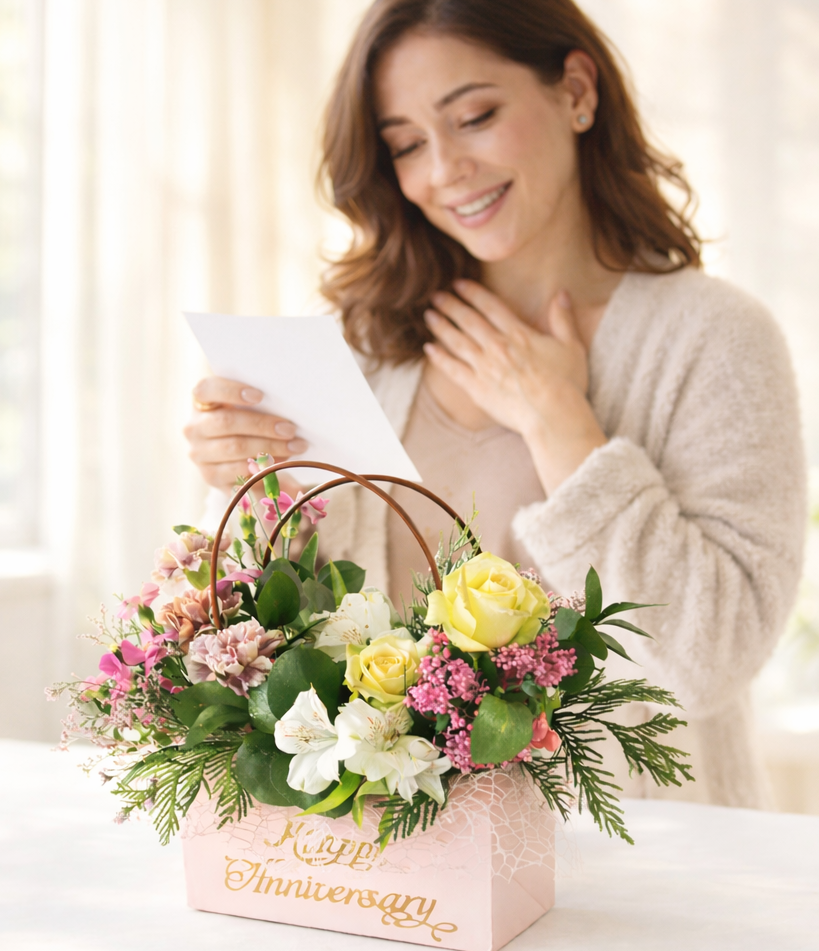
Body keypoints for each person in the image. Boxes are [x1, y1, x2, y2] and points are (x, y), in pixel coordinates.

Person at [184, 0, 806, 809]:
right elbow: (258, 647)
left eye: (473, 117)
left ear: (575, 90)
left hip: (638, 865)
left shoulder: (714, 339)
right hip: (390, 863)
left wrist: (560, 425)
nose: (443, 169)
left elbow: (711, 659)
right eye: (406, 144)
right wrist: (243, 481)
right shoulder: (361, 343)